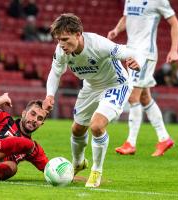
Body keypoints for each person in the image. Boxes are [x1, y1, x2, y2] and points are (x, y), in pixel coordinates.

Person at [42, 13, 143, 188]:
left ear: (78, 34)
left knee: (96, 126)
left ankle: (96, 170)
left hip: (115, 84)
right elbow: (55, 72)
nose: (61, 44)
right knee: (77, 129)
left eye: (65, 39)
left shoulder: (98, 44)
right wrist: (50, 95)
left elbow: (129, 51)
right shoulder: (61, 51)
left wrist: (134, 60)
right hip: (90, 86)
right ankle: (78, 162)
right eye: (58, 40)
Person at [107, 0, 178, 156]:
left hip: (145, 55)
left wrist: (174, 50)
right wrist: (116, 30)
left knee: (133, 96)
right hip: (131, 52)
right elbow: (126, 18)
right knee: (145, 98)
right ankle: (164, 138)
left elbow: (175, 24)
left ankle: (130, 143)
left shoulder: (158, 1)